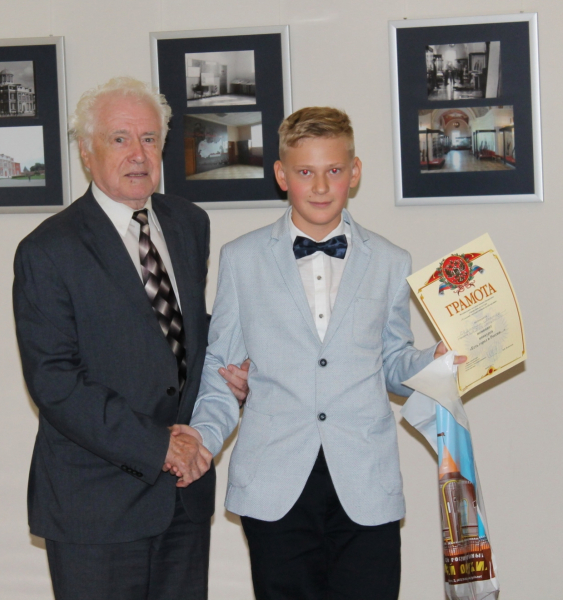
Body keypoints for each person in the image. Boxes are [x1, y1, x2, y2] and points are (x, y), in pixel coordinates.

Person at [181, 107, 465, 599]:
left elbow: (392, 362)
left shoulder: (391, 260)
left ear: (354, 172)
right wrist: (202, 438)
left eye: (333, 170)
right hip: (274, 483)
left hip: (365, 482)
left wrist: (434, 361)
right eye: (305, 172)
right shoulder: (241, 259)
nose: (319, 186)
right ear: (281, 175)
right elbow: (220, 370)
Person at [13, 77, 248, 600]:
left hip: (183, 498)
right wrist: (160, 445)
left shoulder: (189, 223)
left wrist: (237, 365)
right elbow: (55, 382)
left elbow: (181, 330)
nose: (138, 154)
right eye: (119, 138)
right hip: (96, 506)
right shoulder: (48, 249)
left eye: (149, 138)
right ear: (86, 152)